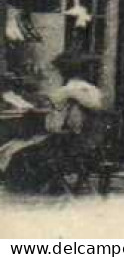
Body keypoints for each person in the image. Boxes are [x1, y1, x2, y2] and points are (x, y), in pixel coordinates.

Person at [0, 52, 106, 194]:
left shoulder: (67, 90)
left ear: (64, 72)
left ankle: (24, 188)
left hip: (67, 142)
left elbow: (44, 105)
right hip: (87, 143)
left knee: (15, 149)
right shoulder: (94, 91)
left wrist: (24, 99)